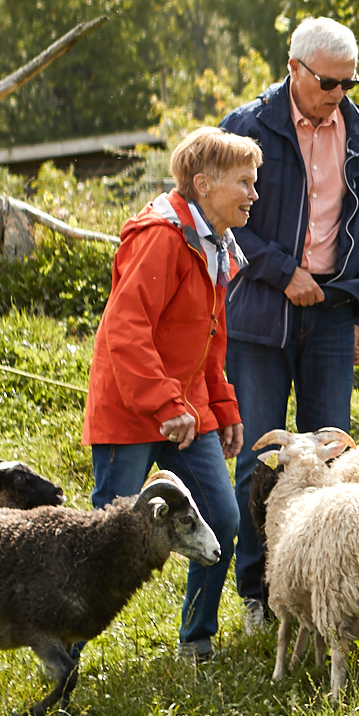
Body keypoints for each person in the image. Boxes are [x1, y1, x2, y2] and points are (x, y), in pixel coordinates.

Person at [222, 15, 359, 631]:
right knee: (259, 455)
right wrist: (281, 270)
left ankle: (321, 584)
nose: (339, 94)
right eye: (328, 82)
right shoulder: (246, 127)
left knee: (329, 456)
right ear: (294, 69)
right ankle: (258, 591)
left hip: (335, 314)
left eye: (348, 82)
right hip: (262, 313)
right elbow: (224, 217)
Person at [85, 126, 257, 662]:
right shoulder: (161, 236)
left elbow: (208, 339)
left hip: (187, 412)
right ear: (204, 184)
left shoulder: (216, 243)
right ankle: (68, 647)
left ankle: (196, 639)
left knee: (223, 521)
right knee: (110, 537)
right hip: (133, 412)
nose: (254, 194)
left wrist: (222, 407)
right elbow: (126, 331)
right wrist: (164, 404)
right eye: (244, 183)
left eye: (255, 182)